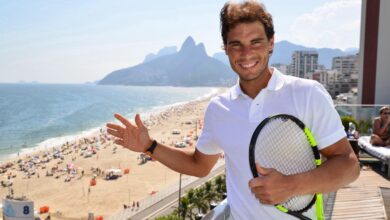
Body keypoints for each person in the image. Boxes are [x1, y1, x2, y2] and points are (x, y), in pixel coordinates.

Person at [106, 1, 360, 219]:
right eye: (236, 44)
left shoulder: (307, 93)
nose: (246, 53)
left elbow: (349, 166)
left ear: (271, 43)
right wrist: (150, 146)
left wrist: (292, 185)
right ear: (226, 49)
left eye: (256, 42)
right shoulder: (219, 108)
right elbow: (199, 165)